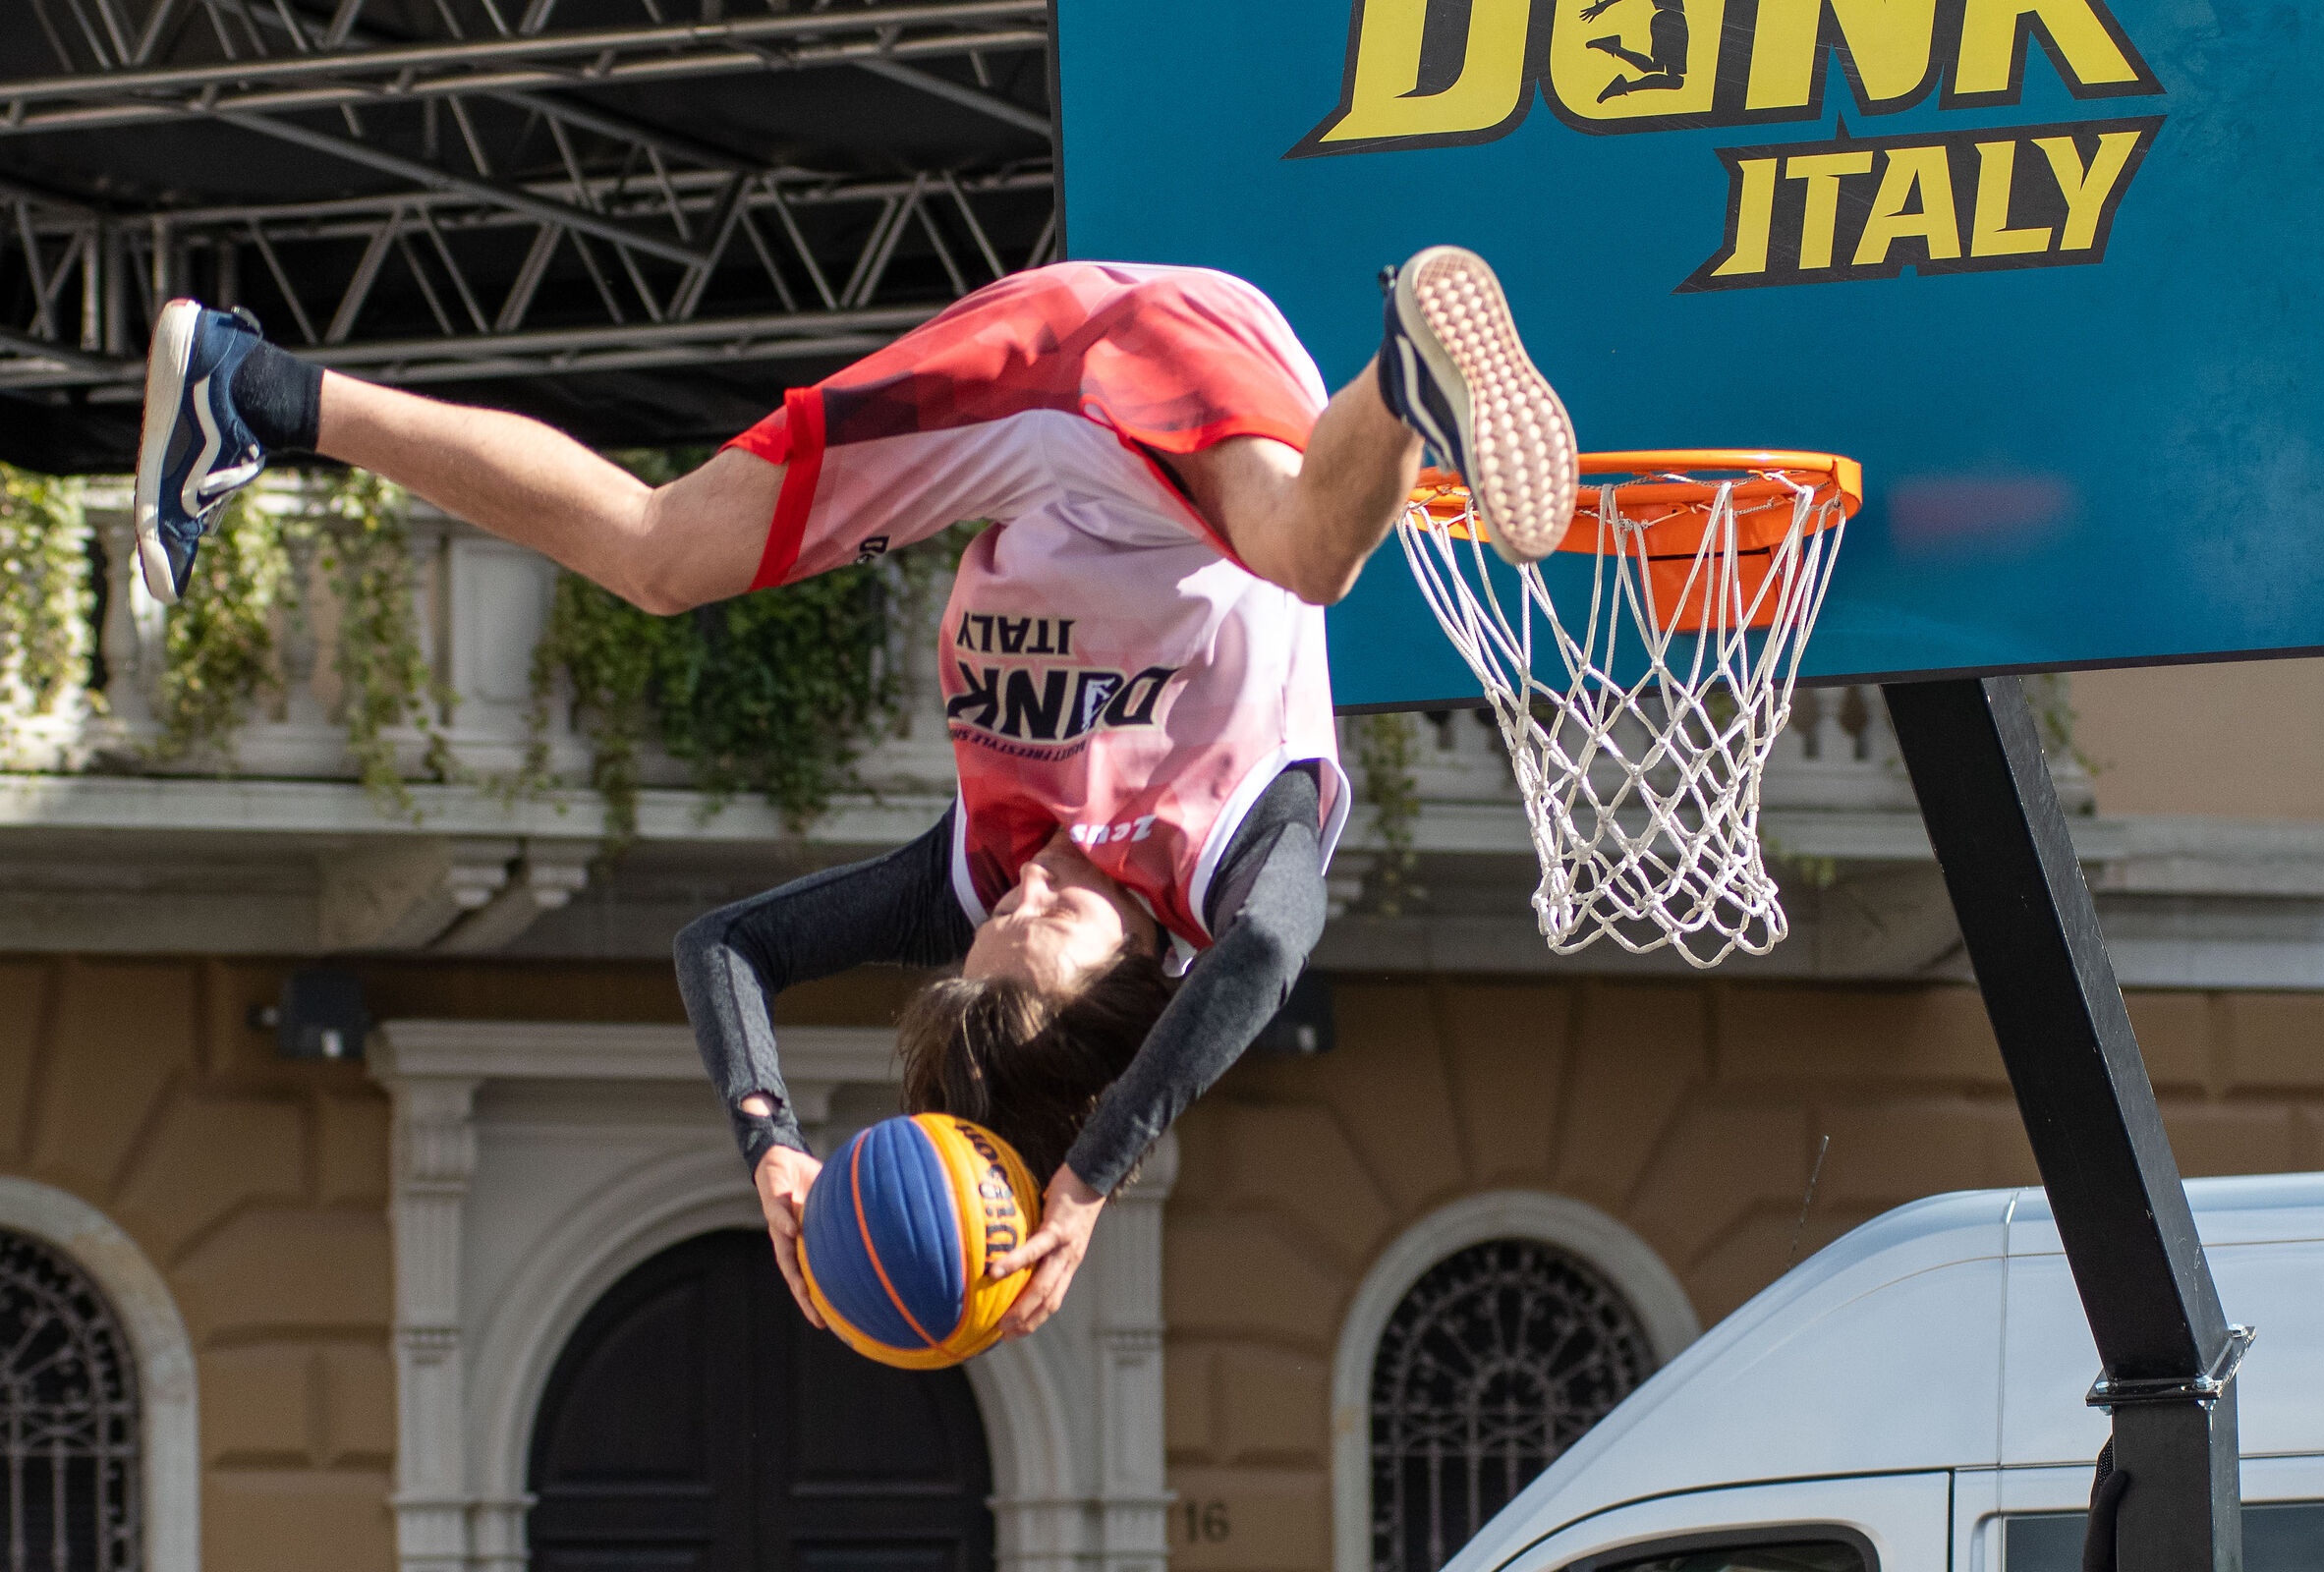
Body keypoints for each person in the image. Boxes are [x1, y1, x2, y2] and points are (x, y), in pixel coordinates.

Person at [134, 248, 1576, 1338]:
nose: (1017, 894)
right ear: (1135, 982)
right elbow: (1265, 957)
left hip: (1086, 418)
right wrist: (1090, 1175)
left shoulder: (980, 867)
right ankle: (1410, 378)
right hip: (1167, 421)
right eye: (1048, 927)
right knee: (1302, 555)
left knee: (657, 554)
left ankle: (256, 393)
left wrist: (769, 1142)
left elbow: (725, 950)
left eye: (994, 923)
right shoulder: (1235, 859)